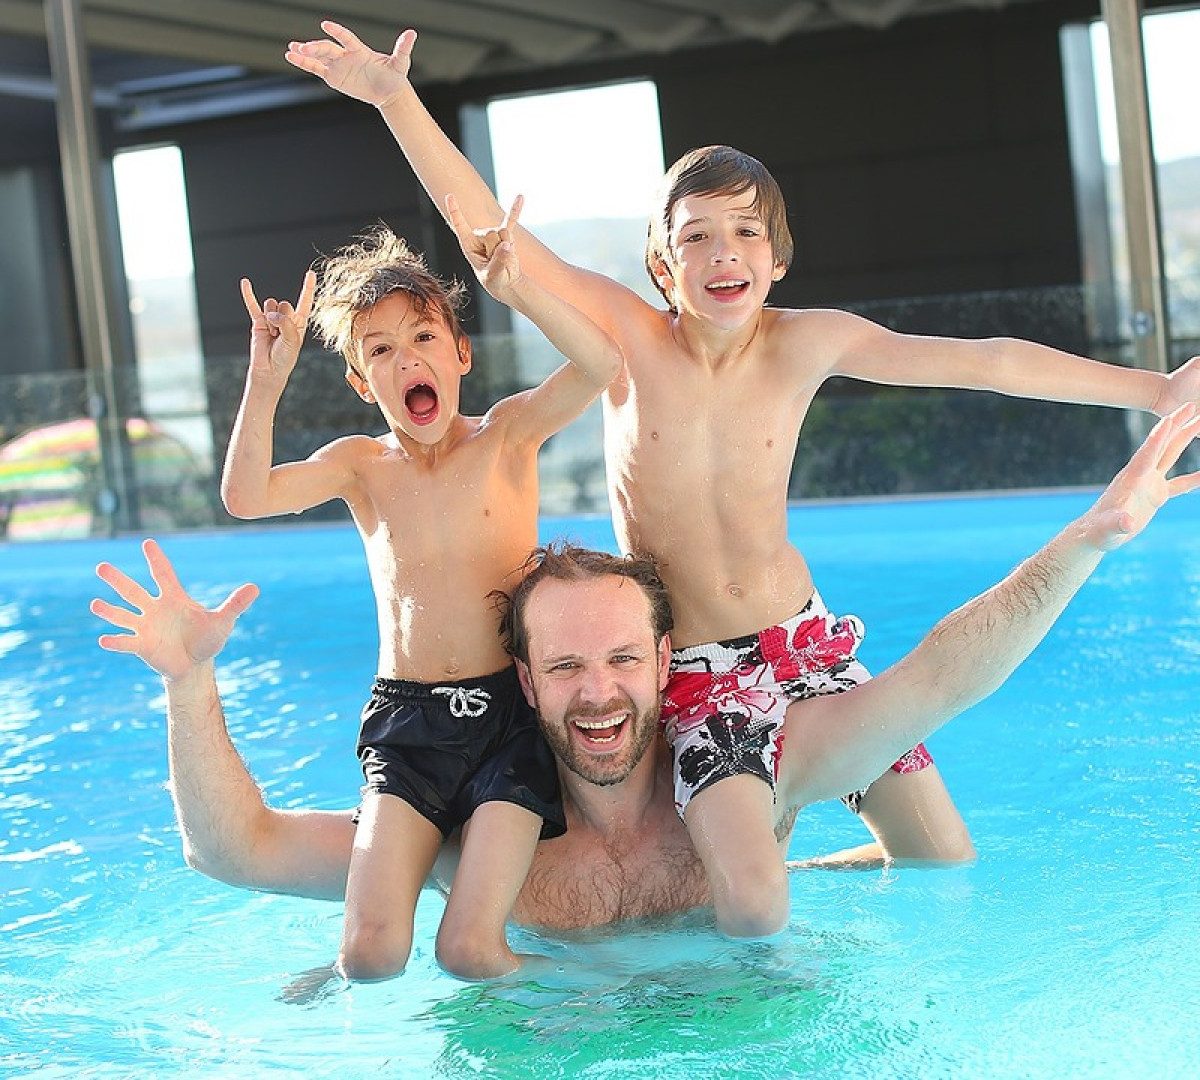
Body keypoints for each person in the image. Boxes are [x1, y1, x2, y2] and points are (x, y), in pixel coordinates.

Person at [282, 22, 1200, 937]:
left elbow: (985, 361)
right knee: (753, 903)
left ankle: (817, 854)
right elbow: (492, 234)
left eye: (746, 233)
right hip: (700, 672)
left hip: (808, 644)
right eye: (697, 237)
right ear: (661, 265)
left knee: (939, 856)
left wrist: (1154, 388)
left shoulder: (809, 342)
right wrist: (397, 98)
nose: (724, 254)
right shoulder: (632, 340)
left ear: (778, 258)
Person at [92, 406, 1200, 935]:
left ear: (667, 662)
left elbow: (937, 679)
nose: (599, 691)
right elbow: (232, 851)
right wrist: (189, 686)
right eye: (565, 664)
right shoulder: (472, 836)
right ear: (524, 684)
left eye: (624, 659)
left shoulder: (748, 775)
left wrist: (1090, 540)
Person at [215, 198, 621, 981]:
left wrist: (524, 292)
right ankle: (352, 963)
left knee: (468, 950)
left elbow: (604, 365)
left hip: (510, 720)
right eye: (381, 351)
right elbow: (245, 497)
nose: (407, 362)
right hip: (408, 725)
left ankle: (604, 998)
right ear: (363, 382)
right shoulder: (362, 465)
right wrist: (266, 381)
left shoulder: (507, 435)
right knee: (368, 957)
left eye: (423, 338)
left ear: (461, 354)